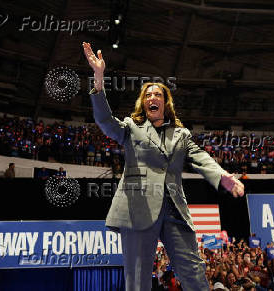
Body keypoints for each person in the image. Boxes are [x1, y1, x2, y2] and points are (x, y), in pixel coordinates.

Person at [83, 41, 245, 291]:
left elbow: (201, 157)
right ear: (143, 103)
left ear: (165, 102)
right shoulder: (131, 127)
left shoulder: (181, 134)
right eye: (147, 95)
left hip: (173, 210)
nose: (152, 98)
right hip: (137, 208)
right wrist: (98, 76)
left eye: (157, 94)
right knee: (137, 279)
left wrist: (223, 176)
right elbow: (104, 120)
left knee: (193, 271)